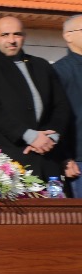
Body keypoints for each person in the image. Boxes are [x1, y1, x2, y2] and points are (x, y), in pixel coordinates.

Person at [0, 16, 77, 182]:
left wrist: (51, 137)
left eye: (17, 34)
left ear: (24, 37)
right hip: (10, 160)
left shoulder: (41, 65)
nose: (12, 40)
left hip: (48, 157)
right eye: (5, 35)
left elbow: (61, 106)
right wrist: (29, 136)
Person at [53, 14, 82, 197]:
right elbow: (55, 118)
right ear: (68, 36)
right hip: (78, 162)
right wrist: (64, 157)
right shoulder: (59, 71)